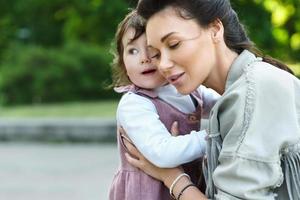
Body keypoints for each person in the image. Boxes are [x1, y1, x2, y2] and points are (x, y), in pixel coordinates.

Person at [125, 0, 300, 200]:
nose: (163, 64)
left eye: (174, 44)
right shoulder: (239, 90)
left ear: (215, 29)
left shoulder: (254, 92)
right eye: (155, 54)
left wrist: (172, 177)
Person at [108, 10, 219, 200]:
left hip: (185, 185)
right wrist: (215, 137)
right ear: (123, 61)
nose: (144, 58)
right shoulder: (134, 104)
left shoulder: (189, 90)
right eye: (132, 50)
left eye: (151, 50)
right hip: (147, 191)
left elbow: (223, 105)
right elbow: (163, 153)